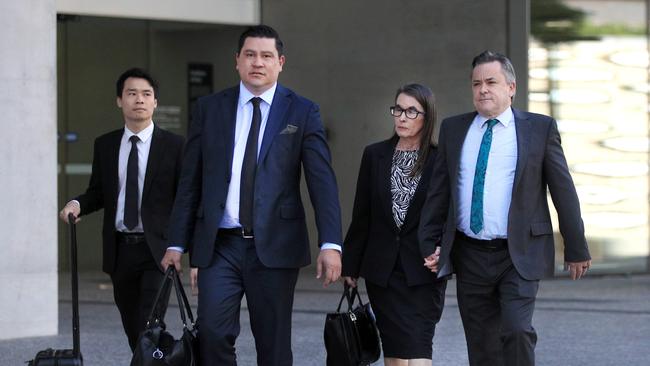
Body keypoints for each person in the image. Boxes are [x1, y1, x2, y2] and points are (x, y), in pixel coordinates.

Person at [160, 25, 343, 366]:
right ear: (237, 61)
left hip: (275, 244)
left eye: (266, 56)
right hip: (220, 245)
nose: (257, 62)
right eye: (250, 54)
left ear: (280, 62)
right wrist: (176, 242)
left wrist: (330, 243)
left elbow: (322, 182)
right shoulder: (210, 109)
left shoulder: (302, 112)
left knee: (273, 345)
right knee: (212, 334)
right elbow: (191, 182)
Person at [418, 50, 591, 366]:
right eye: (476, 83)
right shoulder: (454, 130)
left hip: (519, 252)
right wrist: (431, 243)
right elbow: (439, 193)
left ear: (511, 87)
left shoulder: (539, 129)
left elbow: (563, 190)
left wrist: (576, 246)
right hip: (469, 255)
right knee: (481, 342)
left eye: (491, 82)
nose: (483, 89)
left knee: (516, 330)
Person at [59, 67, 185, 351]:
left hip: (158, 252)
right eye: (131, 94)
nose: (139, 99)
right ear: (119, 100)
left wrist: (181, 246)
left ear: (155, 102)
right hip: (120, 251)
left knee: (148, 325)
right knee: (133, 330)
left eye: (146, 94)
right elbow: (98, 192)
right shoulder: (105, 145)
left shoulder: (175, 146)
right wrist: (76, 204)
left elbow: (185, 199)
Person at [342, 84, 447, 366]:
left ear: (428, 116)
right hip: (383, 273)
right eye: (398, 109)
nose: (401, 116)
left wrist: (444, 251)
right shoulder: (374, 155)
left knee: (420, 346)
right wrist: (350, 265)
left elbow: (449, 215)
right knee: (396, 353)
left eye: (411, 111)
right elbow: (362, 214)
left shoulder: (440, 160)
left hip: (424, 271)